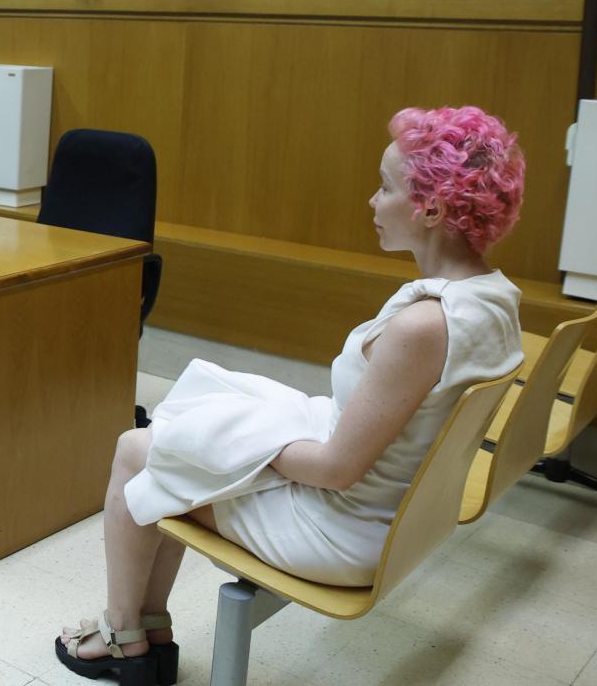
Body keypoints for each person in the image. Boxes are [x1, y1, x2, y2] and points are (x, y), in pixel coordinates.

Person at [54, 106, 527, 682]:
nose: (372, 201)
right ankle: (148, 629)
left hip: (343, 530)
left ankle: (124, 636)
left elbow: (335, 470)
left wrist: (243, 444)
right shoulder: (494, 298)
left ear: (432, 208)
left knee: (142, 450)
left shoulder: (423, 327)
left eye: (385, 187)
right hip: (399, 513)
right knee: (194, 425)